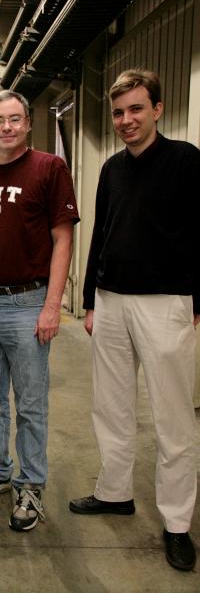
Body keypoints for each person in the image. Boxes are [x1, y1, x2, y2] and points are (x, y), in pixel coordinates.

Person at [69, 69, 199, 571]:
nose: (126, 120)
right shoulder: (110, 169)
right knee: (111, 406)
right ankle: (115, 491)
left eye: (136, 109)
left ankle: (177, 524)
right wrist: (90, 299)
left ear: (157, 110)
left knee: (172, 418)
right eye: (119, 112)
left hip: (166, 302)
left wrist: (196, 300)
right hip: (111, 300)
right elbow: (100, 232)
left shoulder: (186, 162)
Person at [0, 91, 79, 531]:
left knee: (30, 402)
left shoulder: (49, 168)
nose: (6, 127)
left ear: (26, 124)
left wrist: (51, 307)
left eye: (14, 119)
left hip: (27, 304)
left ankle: (31, 484)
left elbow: (63, 240)